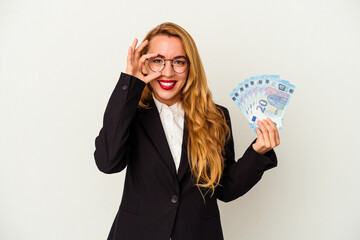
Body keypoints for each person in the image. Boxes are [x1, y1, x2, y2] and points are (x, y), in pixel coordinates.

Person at [94, 22, 280, 240]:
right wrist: (129, 84)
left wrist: (257, 153)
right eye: (158, 61)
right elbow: (107, 163)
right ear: (144, 65)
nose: (168, 72)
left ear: (190, 67)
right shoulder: (130, 113)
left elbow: (225, 189)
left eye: (178, 62)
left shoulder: (216, 117)